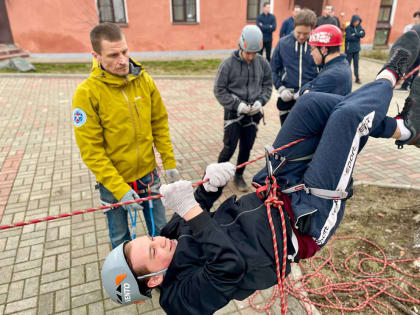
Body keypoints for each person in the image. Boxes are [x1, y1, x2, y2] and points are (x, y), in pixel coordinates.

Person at [101, 27, 420, 315]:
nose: (160, 241)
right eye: (153, 250)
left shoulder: (166, 241)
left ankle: (405, 128)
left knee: (309, 106)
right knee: (348, 117)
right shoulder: (180, 300)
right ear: (153, 278)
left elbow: (188, 218)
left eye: (150, 238)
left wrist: (208, 189)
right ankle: (392, 73)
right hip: (304, 222)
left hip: (274, 191)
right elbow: (227, 266)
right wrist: (191, 210)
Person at [72, 22, 179, 249]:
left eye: (125, 51)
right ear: (96, 55)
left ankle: (165, 280)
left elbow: (159, 122)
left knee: (161, 234)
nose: (122, 60)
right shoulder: (86, 93)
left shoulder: (143, 80)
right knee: (121, 241)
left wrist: (169, 162)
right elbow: (91, 151)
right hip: (113, 184)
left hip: (149, 176)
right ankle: (126, 283)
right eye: (113, 54)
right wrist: (120, 191)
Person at [214, 25, 272, 192]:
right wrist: (237, 105)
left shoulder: (262, 63)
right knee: (229, 147)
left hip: (253, 115)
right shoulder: (227, 65)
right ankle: (216, 175)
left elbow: (267, 85)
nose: (251, 57)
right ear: (241, 46)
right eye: (248, 53)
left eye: (254, 53)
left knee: (246, 147)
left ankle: (239, 176)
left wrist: (261, 101)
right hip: (234, 113)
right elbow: (219, 90)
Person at [271, 9, 318, 124]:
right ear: (294, 26)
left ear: (312, 30)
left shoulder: (317, 46)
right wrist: (281, 89)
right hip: (287, 98)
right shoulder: (282, 44)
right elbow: (272, 70)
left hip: (309, 98)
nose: (301, 37)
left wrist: (308, 89)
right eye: (298, 32)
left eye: (306, 34)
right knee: (286, 138)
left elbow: (323, 73)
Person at [299, 24, 352, 96]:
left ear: (323, 49)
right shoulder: (341, 63)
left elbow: (306, 98)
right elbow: (311, 83)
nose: (311, 53)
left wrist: (305, 90)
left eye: (312, 49)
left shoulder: (331, 75)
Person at [399, 14, 420, 90]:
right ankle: (405, 85)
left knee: (414, 70)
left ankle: (411, 86)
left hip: (417, 52)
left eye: (417, 17)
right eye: (415, 17)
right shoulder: (409, 27)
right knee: (409, 68)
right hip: (412, 51)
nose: (416, 19)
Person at [345, 15, 365, 84]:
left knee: (356, 64)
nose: (357, 23)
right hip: (349, 50)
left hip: (356, 49)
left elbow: (363, 34)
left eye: (358, 21)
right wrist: (358, 35)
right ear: (353, 21)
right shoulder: (348, 28)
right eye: (356, 21)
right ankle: (346, 78)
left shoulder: (359, 27)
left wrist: (355, 34)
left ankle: (357, 78)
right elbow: (349, 38)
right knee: (347, 65)